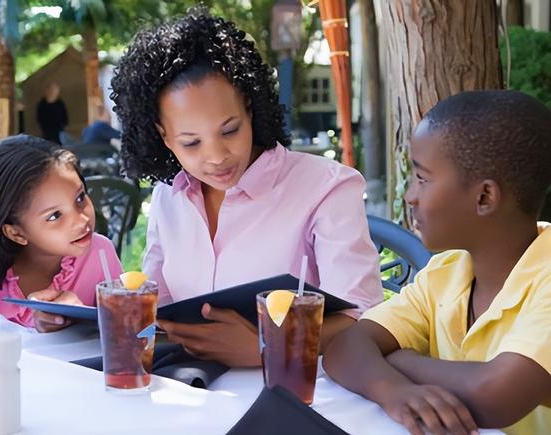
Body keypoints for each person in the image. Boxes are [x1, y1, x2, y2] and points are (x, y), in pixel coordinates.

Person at [110, 8, 383, 368]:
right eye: (191, 142)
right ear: (164, 137)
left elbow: (366, 319)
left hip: (293, 394)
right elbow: (159, 306)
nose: (217, 157)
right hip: (190, 393)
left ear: (250, 109)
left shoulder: (325, 189)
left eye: (230, 130)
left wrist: (271, 345)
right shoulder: (169, 196)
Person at [323, 90, 551, 435]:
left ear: (484, 197)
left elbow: (495, 395)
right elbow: (344, 347)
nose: (410, 195)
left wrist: (398, 360)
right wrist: (394, 391)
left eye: (423, 179)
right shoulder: (448, 272)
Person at [0, 135, 122, 332]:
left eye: (80, 197)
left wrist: (83, 320)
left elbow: (128, 331)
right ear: (16, 233)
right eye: (54, 216)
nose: (82, 220)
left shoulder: (99, 252)